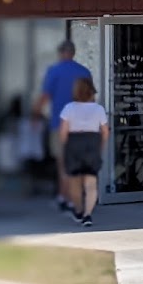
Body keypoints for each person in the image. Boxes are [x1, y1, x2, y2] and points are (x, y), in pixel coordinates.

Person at [32, 39, 91, 214]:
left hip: (60, 124)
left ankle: (66, 198)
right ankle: (72, 197)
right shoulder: (84, 72)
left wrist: (35, 115)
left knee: (63, 162)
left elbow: (45, 96)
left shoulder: (54, 71)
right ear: (73, 53)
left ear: (60, 53)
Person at [58, 77, 108, 227]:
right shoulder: (98, 109)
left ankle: (79, 210)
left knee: (75, 182)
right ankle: (88, 214)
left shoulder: (69, 108)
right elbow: (105, 131)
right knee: (91, 182)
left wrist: (65, 147)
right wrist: (100, 146)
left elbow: (63, 132)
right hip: (92, 143)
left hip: (74, 143)